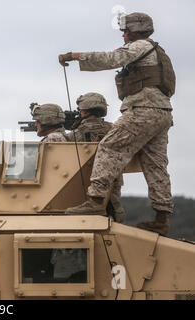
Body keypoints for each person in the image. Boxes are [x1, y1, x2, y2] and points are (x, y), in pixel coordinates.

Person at [58, 12, 175, 236]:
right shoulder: (158, 52)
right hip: (162, 114)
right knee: (155, 164)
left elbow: (111, 59)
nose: (123, 34)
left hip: (143, 110)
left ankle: (95, 201)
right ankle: (162, 218)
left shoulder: (140, 47)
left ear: (136, 30)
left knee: (110, 147)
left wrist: (75, 56)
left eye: (126, 30)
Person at [66, 92, 125, 222]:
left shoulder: (77, 133)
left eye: (81, 110)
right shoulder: (113, 128)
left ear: (85, 111)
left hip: (88, 181)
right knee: (112, 207)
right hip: (113, 179)